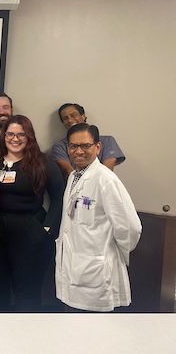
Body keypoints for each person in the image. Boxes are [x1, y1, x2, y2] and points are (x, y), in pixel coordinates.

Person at [0, 115, 64, 312]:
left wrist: (46, 230)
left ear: (29, 137)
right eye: (10, 134)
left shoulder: (43, 162)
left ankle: (25, 337)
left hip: (31, 234)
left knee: (27, 290)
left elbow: (59, 197)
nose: (15, 139)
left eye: (20, 134)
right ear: (3, 136)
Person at [55, 123, 141, 312]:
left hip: (96, 273)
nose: (78, 151)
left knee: (96, 335)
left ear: (97, 147)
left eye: (85, 146)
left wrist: (110, 253)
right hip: (74, 269)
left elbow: (130, 227)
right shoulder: (74, 176)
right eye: (73, 146)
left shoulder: (106, 180)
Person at [50, 103, 125, 178]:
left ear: (83, 116)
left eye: (73, 115)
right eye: (65, 118)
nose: (70, 120)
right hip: (75, 188)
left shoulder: (108, 141)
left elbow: (107, 172)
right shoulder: (59, 147)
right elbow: (70, 173)